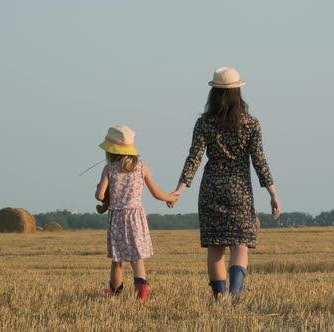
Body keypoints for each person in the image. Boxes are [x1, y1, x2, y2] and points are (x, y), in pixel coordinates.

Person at [170, 66, 281, 300]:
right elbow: (259, 161)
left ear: (214, 94)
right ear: (237, 92)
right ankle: (235, 295)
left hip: (211, 189)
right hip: (240, 191)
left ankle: (219, 299)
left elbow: (194, 158)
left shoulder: (204, 123)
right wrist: (272, 193)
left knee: (215, 247)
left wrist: (180, 188)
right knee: (240, 245)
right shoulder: (251, 124)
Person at [95, 125, 178, 303]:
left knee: (117, 259)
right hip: (136, 218)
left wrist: (99, 191)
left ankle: (115, 291)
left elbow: (100, 195)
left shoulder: (109, 168)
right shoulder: (142, 167)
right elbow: (156, 193)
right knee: (137, 258)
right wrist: (170, 198)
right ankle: (141, 296)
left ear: (110, 150)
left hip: (117, 218)